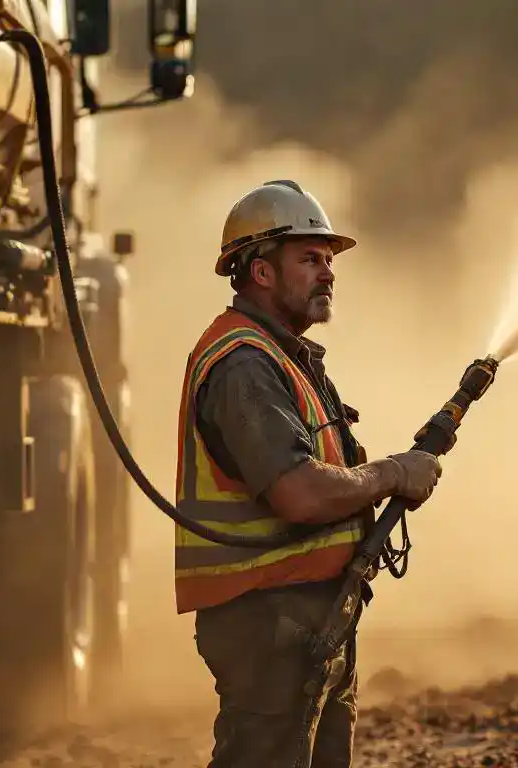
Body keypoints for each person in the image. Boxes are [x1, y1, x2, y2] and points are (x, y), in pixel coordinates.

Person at [173, 179, 442, 768]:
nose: (328, 273)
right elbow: (299, 493)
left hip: (303, 617)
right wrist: (393, 473)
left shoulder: (281, 356)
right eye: (310, 259)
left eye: (329, 260)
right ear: (260, 271)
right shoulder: (244, 365)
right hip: (268, 621)